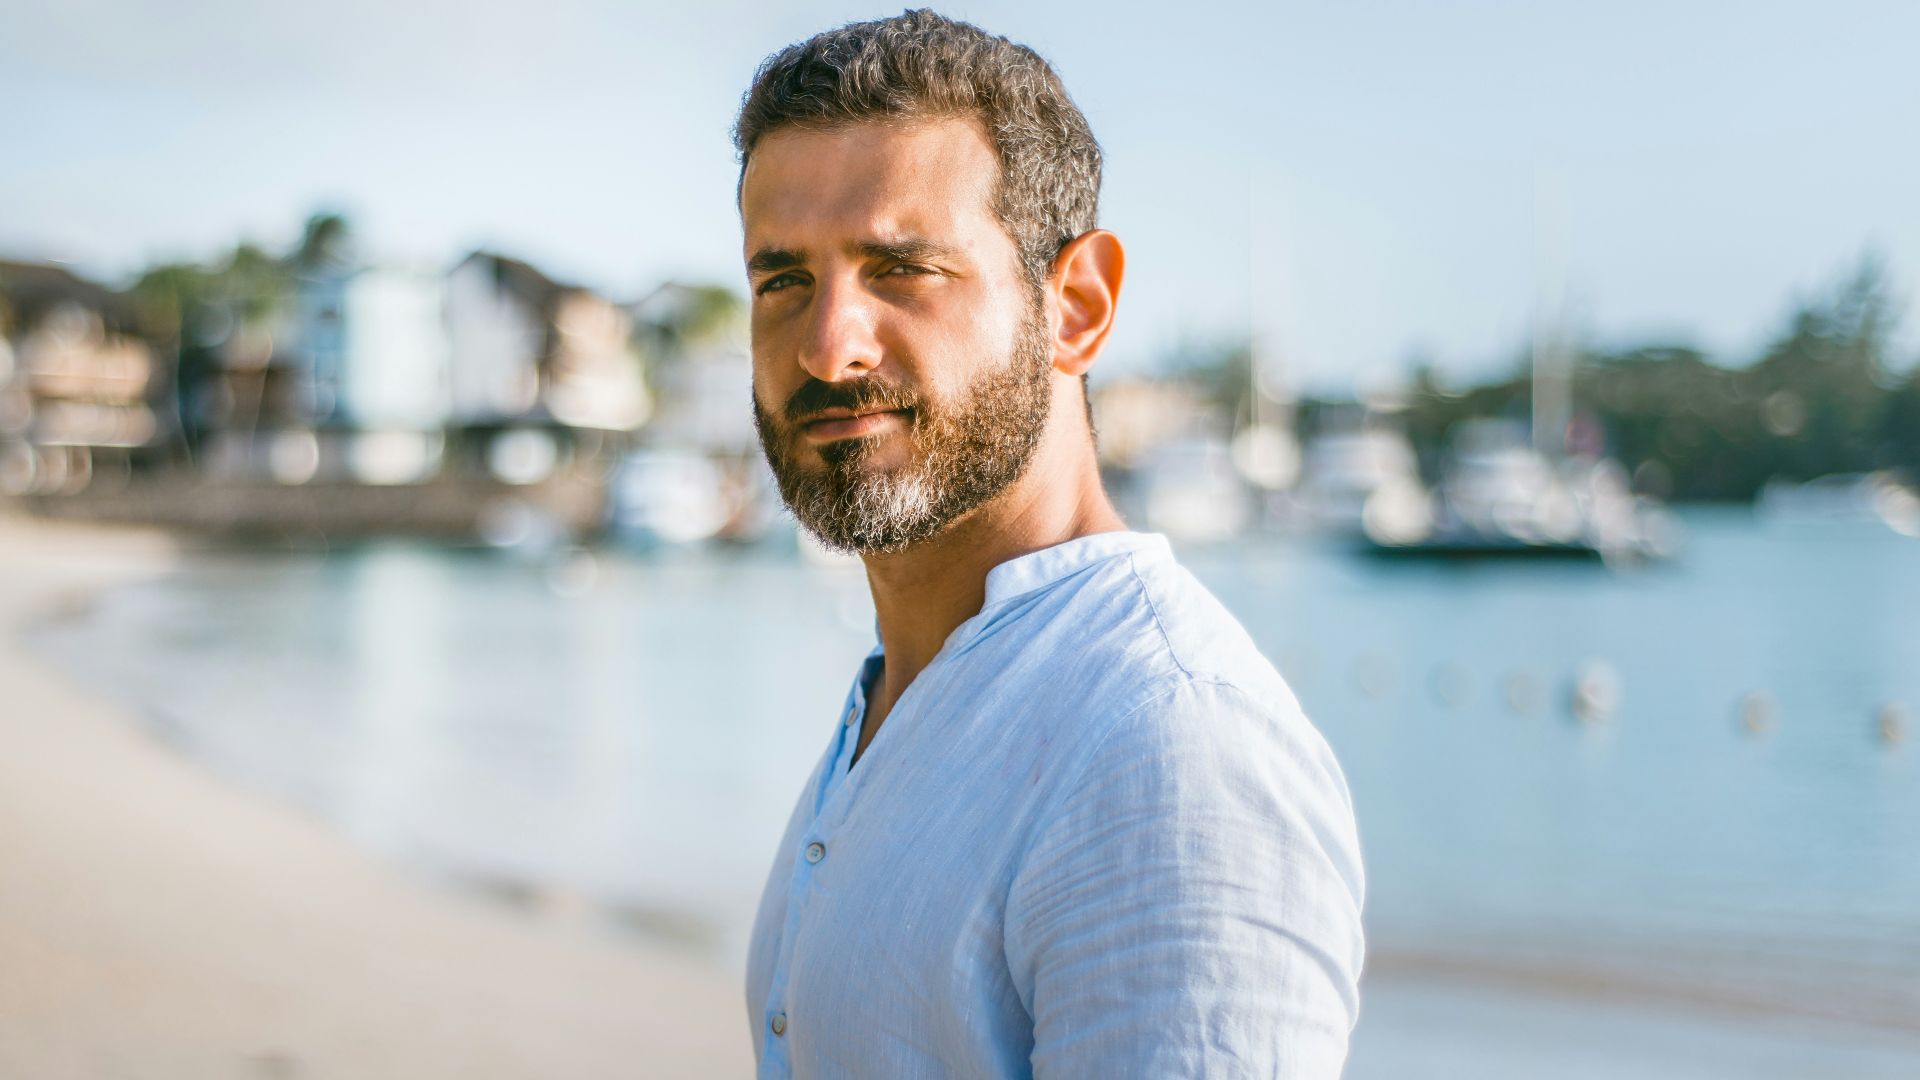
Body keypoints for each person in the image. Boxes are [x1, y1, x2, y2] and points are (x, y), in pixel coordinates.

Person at [736, 10, 1364, 1077]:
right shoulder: (907, 695)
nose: (827, 343)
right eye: (783, 279)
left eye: (900, 267)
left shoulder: (1167, 750)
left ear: (1075, 305)